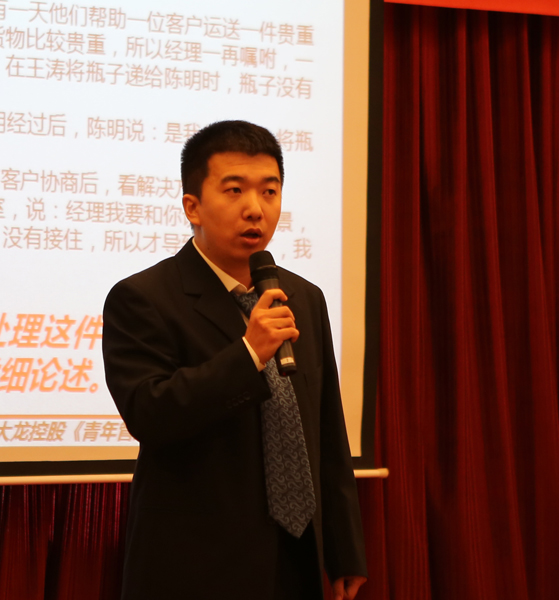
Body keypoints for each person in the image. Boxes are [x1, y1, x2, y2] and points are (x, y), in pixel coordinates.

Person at [102, 120, 366, 600]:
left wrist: (344, 549)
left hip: (296, 558)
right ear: (193, 206)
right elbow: (150, 413)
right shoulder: (143, 298)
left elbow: (327, 429)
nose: (255, 208)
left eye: (269, 191)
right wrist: (248, 354)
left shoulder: (303, 297)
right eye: (234, 190)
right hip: (197, 565)